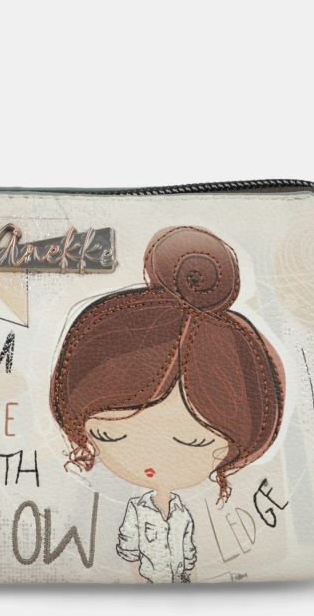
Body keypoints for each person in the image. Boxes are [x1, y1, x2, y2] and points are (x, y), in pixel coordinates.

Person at [49, 225, 285, 583]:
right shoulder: (137, 511)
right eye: (109, 436)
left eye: (193, 441)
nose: (149, 460)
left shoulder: (181, 516)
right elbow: (128, 545)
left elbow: (187, 547)